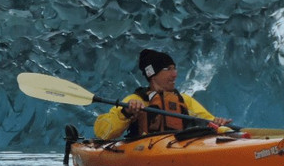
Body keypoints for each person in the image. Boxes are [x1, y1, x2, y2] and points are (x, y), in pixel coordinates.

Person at [93, 49, 231, 140]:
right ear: (152, 75)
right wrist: (126, 112)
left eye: (175, 69)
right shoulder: (135, 100)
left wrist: (218, 125)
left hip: (177, 148)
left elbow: (208, 120)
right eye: (168, 69)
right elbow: (102, 132)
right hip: (144, 152)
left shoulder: (184, 100)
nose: (175, 74)